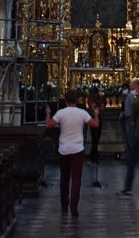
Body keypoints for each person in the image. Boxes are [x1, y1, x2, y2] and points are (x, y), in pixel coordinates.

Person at [45, 88, 101, 218]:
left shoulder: (60, 113)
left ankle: (64, 204)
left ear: (65, 100)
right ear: (77, 100)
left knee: (64, 178)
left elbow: (48, 125)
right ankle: (73, 207)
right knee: (76, 179)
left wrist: (48, 114)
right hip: (77, 150)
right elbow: (95, 125)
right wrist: (96, 114)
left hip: (64, 149)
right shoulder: (82, 113)